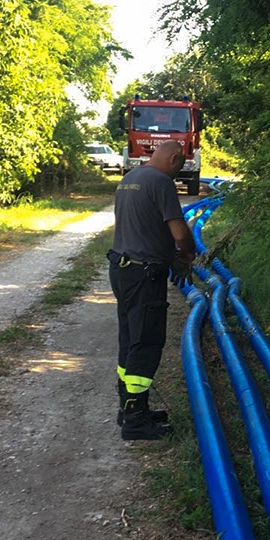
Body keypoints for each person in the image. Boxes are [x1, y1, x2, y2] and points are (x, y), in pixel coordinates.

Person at [107, 141, 196, 440]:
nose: (178, 172)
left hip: (122, 268)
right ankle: (135, 421)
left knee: (130, 338)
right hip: (145, 274)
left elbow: (142, 229)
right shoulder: (161, 183)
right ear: (173, 159)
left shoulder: (130, 179)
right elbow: (179, 232)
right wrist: (187, 255)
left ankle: (130, 408)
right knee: (146, 342)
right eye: (180, 165)